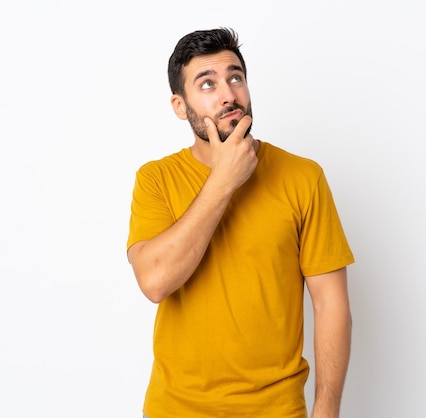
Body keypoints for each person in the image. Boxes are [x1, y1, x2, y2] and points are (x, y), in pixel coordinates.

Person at [126, 27, 355, 418]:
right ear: (180, 107)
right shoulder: (156, 179)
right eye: (207, 84)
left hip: (277, 410)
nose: (228, 94)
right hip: (176, 409)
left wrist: (327, 409)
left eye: (235, 78)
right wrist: (223, 180)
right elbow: (155, 281)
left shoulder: (303, 177)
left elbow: (331, 303)